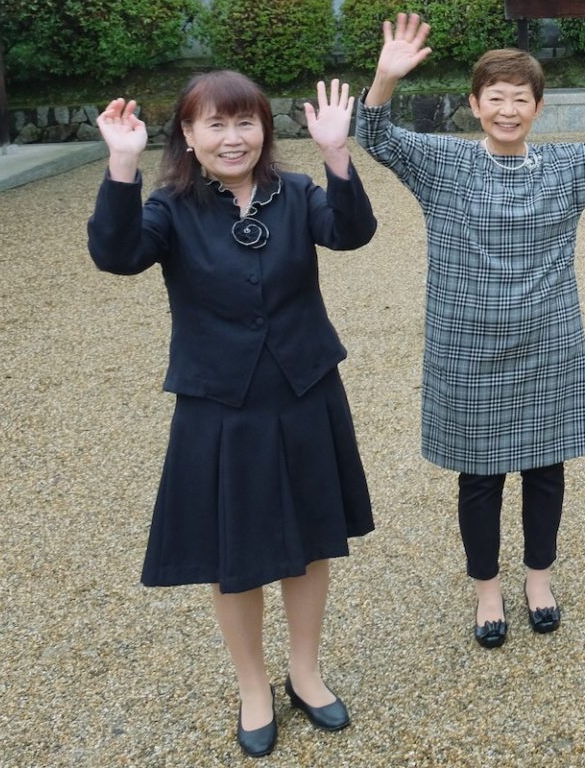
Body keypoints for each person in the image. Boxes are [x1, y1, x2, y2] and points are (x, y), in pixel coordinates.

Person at [355, 13, 585, 647]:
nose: (506, 110)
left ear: (538, 107)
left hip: (547, 342)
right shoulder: (440, 163)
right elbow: (376, 135)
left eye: (518, 99)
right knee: (479, 476)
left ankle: (538, 578)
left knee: (546, 470)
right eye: (493, 99)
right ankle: (486, 591)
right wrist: (385, 78)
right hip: (465, 347)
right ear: (473, 105)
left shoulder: (563, 169)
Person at [88, 73, 375, 759]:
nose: (233, 137)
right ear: (187, 134)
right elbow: (116, 254)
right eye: (214, 124)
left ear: (265, 129)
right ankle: (253, 684)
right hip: (221, 402)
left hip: (303, 388)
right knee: (235, 552)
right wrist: (120, 167)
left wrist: (338, 156)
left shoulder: (297, 192)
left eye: (245, 122)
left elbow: (352, 232)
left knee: (309, 542)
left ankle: (305, 672)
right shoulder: (171, 206)